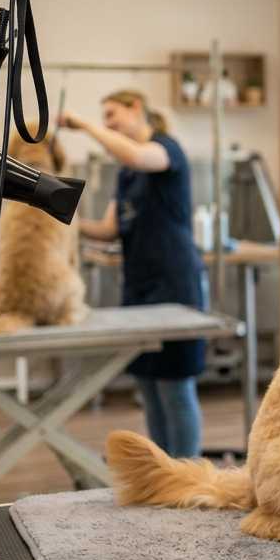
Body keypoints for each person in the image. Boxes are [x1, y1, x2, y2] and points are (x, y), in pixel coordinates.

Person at [66, 89, 208, 458]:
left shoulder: (165, 149)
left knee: (175, 387)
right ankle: (163, 473)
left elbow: (134, 153)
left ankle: (188, 475)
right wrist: (62, 224)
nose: (108, 124)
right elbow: (109, 228)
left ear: (137, 108)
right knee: (148, 387)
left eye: (112, 115)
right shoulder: (127, 173)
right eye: (104, 118)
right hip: (140, 286)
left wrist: (83, 125)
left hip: (175, 285)